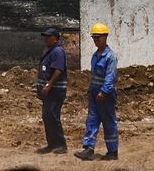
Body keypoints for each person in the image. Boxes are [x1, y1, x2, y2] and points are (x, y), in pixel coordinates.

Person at [74, 22, 119, 161]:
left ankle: (112, 152)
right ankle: (88, 149)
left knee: (108, 122)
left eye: (98, 37)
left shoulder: (110, 56)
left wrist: (103, 92)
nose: (95, 40)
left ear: (105, 37)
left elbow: (110, 77)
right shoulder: (95, 55)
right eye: (94, 38)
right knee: (92, 120)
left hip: (106, 96)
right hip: (94, 95)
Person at [35, 27, 68, 154]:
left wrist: (49, 85)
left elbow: (58, 70)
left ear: (55, 39)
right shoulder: (50, 51)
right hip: (49, 92)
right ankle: (52, 144)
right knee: (47, 116)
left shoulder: (58, 52)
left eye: (49, 37)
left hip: (55, 91)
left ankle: (60, 145)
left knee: (53, 116)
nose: (46, 39)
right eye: (45, 36)